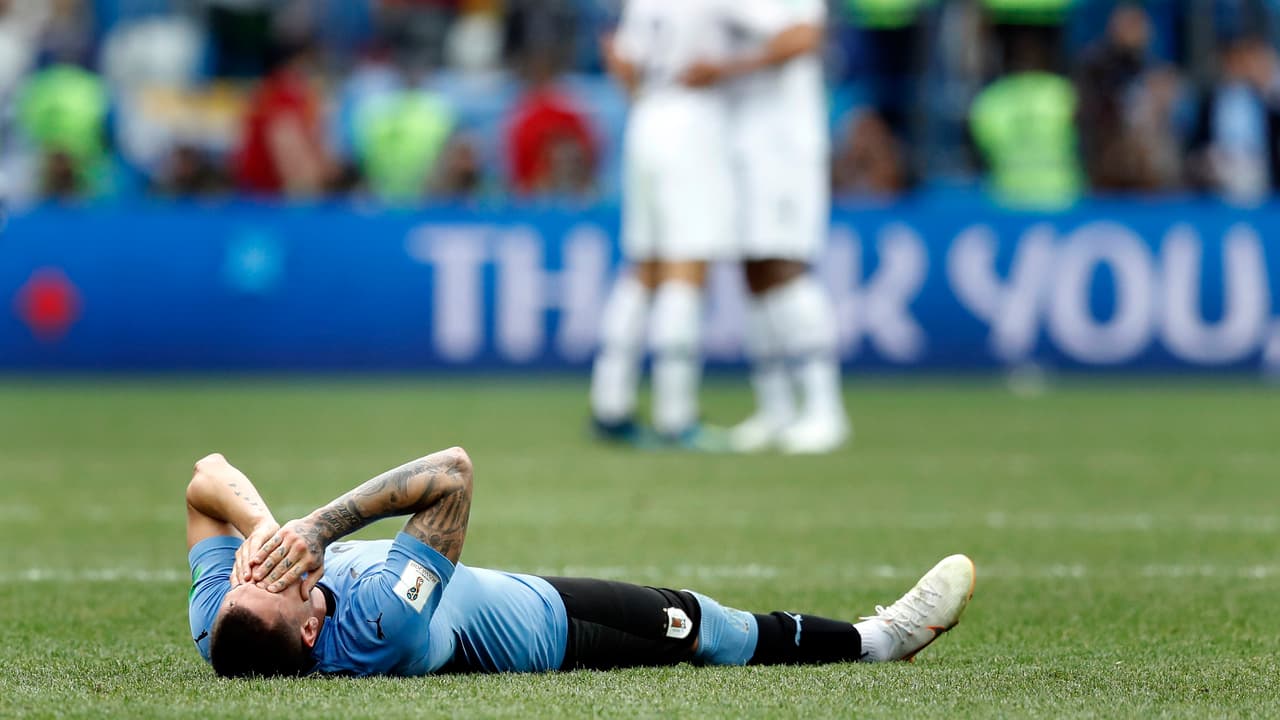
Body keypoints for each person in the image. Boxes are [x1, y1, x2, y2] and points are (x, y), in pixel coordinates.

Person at [186, 449, 976, 678]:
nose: (287, 576)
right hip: (555, 627)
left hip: (510, 599)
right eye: (294, 593)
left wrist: (258, 530)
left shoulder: (225, 621)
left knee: (705, 623)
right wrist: (321, 527)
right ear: (313, 634)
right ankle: (878, 641)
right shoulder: (377, 631)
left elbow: (204, 477)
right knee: (706, 629)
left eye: (260, 576)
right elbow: (453, 474)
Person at [679, 0, 850, 453]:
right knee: (753, 268)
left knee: (784, 263)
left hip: (784, 145)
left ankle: (824, 408)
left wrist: (727, 68)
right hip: (742, 143)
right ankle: (776, 407)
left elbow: (804, 38)